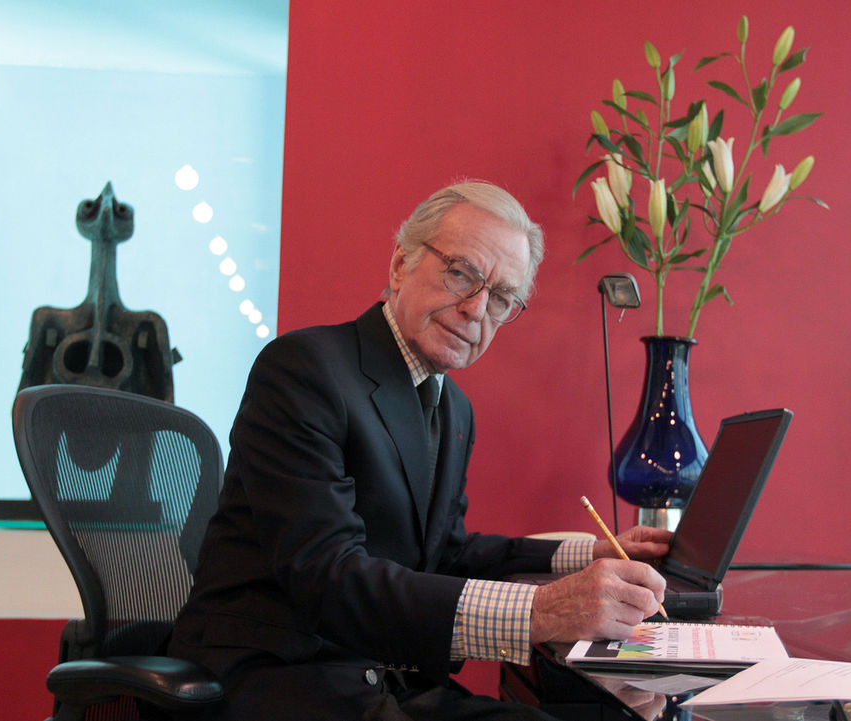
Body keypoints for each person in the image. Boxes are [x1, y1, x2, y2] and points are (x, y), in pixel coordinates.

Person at [169, 180, 672, 720]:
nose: (476, 309)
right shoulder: (304, 369)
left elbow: (448, 553)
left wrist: (587, 555)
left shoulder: (453, 408)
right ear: (400, 265)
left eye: (501, 298)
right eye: (461, 274)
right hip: (276, 678)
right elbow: (326, 575)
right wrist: (541, 610)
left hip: (381, 678)